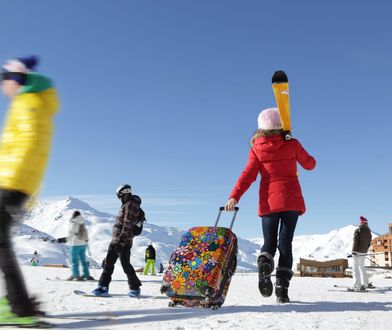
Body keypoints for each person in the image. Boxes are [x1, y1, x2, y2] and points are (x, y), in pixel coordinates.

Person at [225, 108, 316, 303]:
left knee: (269, 242)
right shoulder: (292, 144)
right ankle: (282, 290)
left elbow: (247, 175)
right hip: (291, 200)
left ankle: (265, 262)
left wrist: (234, 196)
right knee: (285, 244)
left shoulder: (257, 148)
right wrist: (295, 144)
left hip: (268, 202)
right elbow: (310, 164)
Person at [0, 56, 59, 326]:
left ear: (16, 80)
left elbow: (25, 147)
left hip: (10, 182)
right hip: (19, 183)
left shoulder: (27, 103)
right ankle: (16, 302)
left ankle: (19, 307)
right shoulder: (36, 103)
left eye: (4, 80)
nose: (3, 87)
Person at [92, 184, 145, 297]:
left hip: (123, 241)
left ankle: (135, 288)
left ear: (122, 194)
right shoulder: (127, 204)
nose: (119, 199)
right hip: (116, 240)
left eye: (119, 196)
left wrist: (121, 241)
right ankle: (102, 287)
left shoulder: (131, 205)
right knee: (108, 264)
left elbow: (127, 224)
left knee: (125, 264)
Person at [66, 211, 94, 281]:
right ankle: (86, 275)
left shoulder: (74, 223)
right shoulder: (82, 223)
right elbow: (86, 234)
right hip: (83, 245)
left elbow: (71, 234)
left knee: (74, 261)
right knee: (83, 260)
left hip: (75, 244)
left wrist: (65, 240)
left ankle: (75, 275)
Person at [351, 216, 373, 291]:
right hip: (364, 252)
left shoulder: (358, 230)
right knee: (361, 267)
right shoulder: (369, 232)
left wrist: (354, 251)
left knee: (355, 268)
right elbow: (369, 243)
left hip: (357, 252)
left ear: (361, 223)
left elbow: (356, 242)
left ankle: (357, 285)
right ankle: (366, 283)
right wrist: (365, 251)